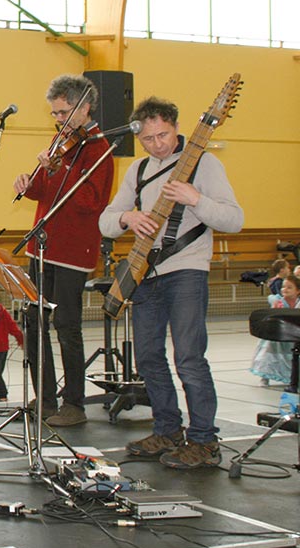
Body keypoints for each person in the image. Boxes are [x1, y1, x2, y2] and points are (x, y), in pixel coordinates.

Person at [99, 96, 243, 469]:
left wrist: (196, 199)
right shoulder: (138, 169)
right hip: (146, 274)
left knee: (189, 358)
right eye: (148, 139)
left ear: (177, 127)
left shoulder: (204, 163)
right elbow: (106, 221)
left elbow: (234, 219)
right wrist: (128, 218)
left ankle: (204, 441)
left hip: (187, 271)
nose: (157, 144)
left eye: (163, 135)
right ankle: (167, 430)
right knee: (148, 358)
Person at [12, 74, 115, 427]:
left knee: (67, 326)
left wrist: (61, 168)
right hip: (42, 246)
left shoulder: (100, 149)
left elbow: (90, 202)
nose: (58, 120)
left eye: (63, 112)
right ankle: (45, 396)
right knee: (33, 323)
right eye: (54, 113)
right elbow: (44, 190)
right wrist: (28, 182)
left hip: (72, 251)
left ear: (84, 108)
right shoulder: (61, 141)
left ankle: (74, 403)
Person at [250, 274, 299, 387]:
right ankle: (265, 377)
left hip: (293, 336)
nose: (285, 289)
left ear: (298, 291)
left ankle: (292, 377)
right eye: (283, 287)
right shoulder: (278, 303)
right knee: (269, 356)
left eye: (289, 287)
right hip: (277, 336)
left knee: (292, 357)